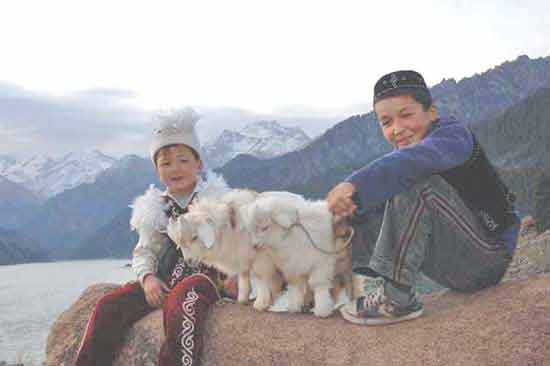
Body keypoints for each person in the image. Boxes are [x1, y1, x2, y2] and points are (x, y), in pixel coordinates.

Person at [328, 70, 520, 326]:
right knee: (359, 205)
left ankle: (397, 301)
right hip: (452, 258)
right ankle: (338, 286)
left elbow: (411, 162)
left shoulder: (453, 137)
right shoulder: (413, 150)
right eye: (386, 122)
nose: (397, 129)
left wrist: (352, 183)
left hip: (487, 258)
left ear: (432, 112)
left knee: (416, 185)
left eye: (406, 115)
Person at [75, 108, 234, 365]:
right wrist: (148, 278)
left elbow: (232, 245)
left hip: (205, 278)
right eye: (166, 162)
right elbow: (145, 251)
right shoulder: (155, 208)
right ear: (156, 169)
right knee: (109, 306)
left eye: (183, 160)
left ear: (199, 164)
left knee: (185, 302)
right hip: (164, 281)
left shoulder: (215, 202)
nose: (175, 168)